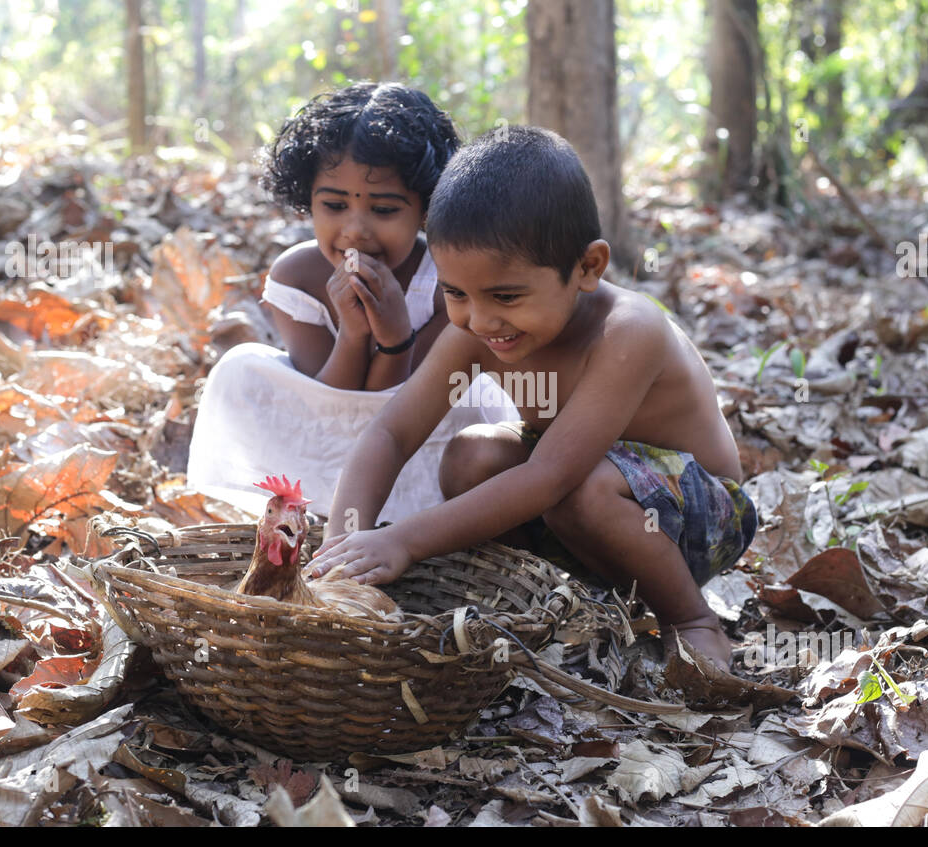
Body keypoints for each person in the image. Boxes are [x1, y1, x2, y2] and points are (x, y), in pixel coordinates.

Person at [304, 125, 757, 679]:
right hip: (580, 501)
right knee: (472, 454)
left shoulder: (629, 330)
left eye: (507, 296)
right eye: (455, 293)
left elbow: (549, 477)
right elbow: (392, 433)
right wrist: (343, 546)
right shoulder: (477, 330)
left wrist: (403, 540)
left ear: (588, 267)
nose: (480, 319)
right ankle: (543, 599)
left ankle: (691, 619)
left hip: (699, 519)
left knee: (582, 487)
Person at [186, 82, 517, 520]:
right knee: (239, 370)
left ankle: (412, 515)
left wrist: (397, 337)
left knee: (474, 393)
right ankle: (304, 508)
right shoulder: (296, 277)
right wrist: (355, 332)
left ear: (426, 210)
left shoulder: (443, 278)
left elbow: (398, 408)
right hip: (325, 438)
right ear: (308, 202)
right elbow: (334, 402)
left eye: (383, 211)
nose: (356, 230)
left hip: (417, 437)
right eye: (334, 205)